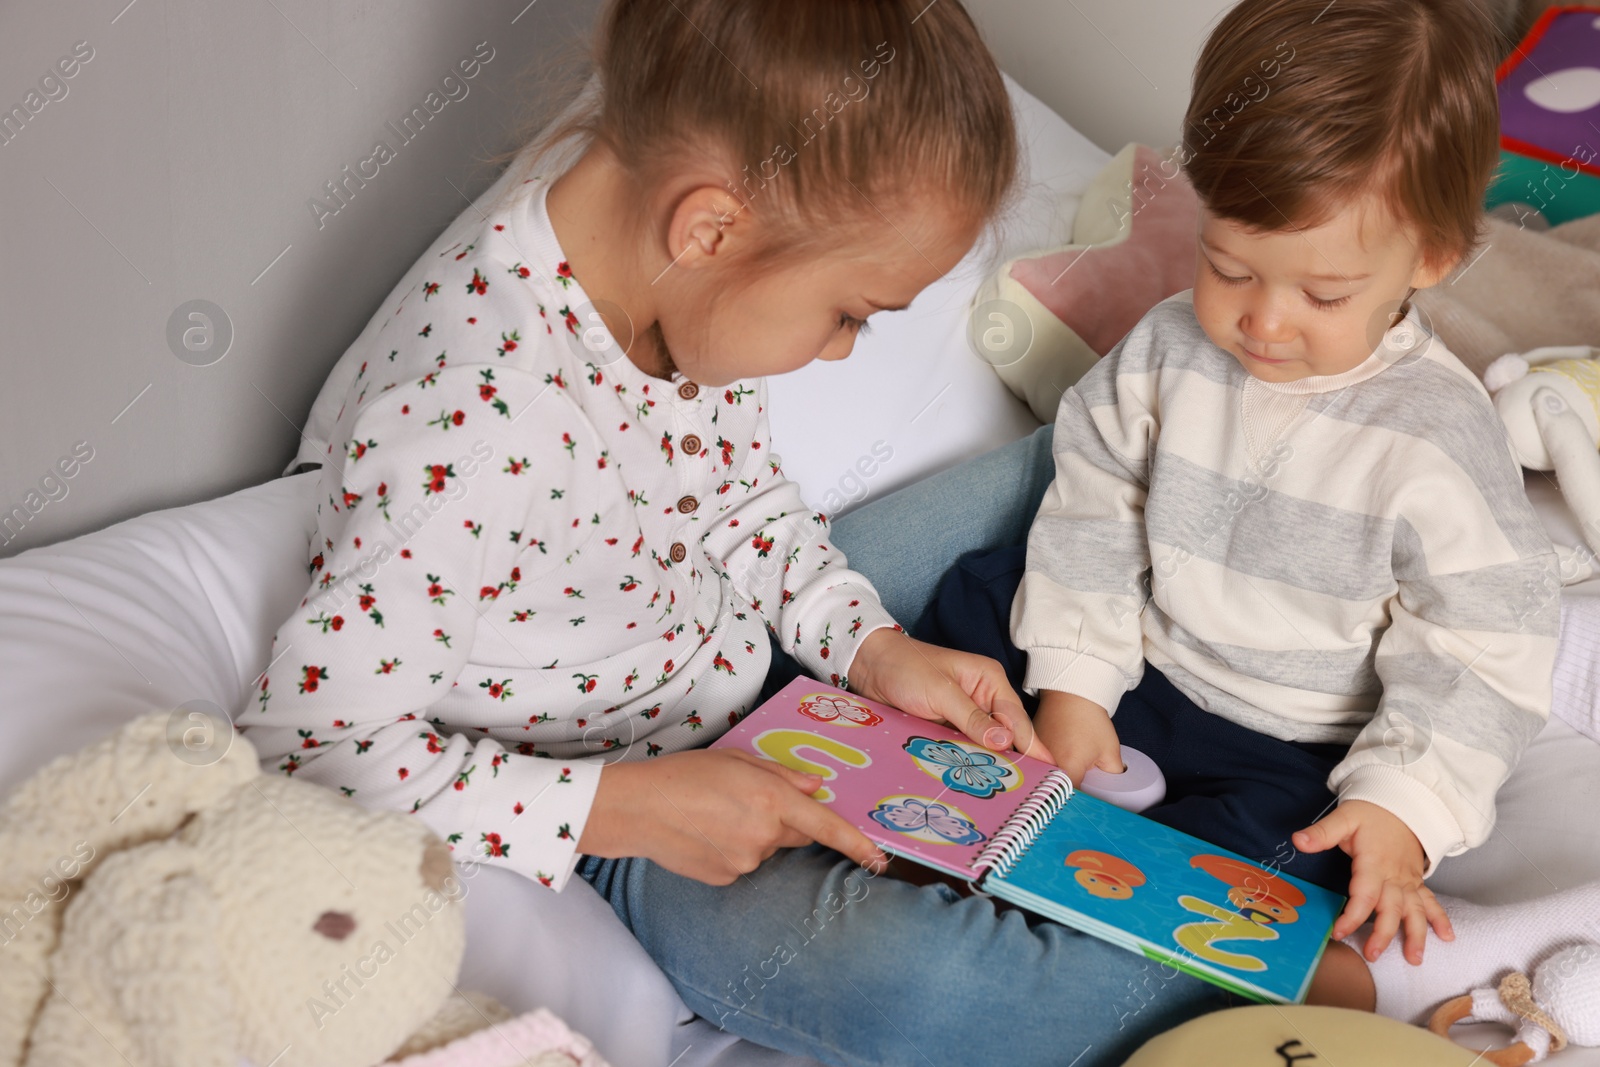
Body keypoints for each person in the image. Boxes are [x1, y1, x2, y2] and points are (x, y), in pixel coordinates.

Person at [240, 2, 1594, 1063]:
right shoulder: (456, 435)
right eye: (852, 315)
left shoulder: (657, 265)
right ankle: (1317, 966)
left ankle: (1232, 886)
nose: (840, 358)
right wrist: (629, 804)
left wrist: (871, 643)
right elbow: (303, 740)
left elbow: (744, 501)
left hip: (769, 659)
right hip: (636, 790)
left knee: (1047, 469)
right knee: (917, 978)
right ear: (714, 227)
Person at [920, 0, 1566, 981]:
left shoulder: (1437, 437)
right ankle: (937, 824)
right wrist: (1075, 685)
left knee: (1283, 859)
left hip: (1283, 739)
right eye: (1227, 266)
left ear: (1428, 258)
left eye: (1322, 294)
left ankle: (1101, 925)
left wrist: (1401, 802)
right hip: (1140, 653)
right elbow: (1092, 509)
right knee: (973, 595)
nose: (1262, 319)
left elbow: (1482, 643)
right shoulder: (1169, 349)